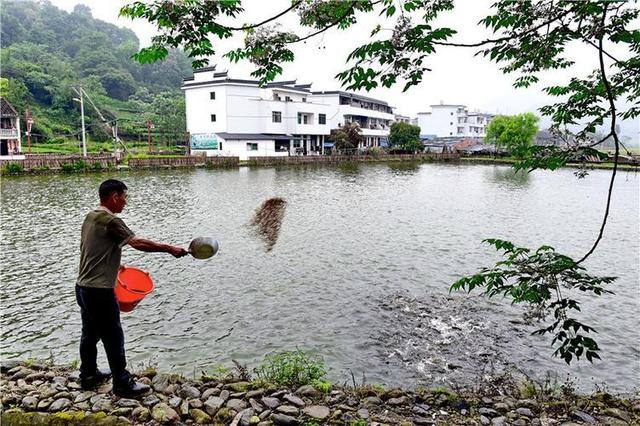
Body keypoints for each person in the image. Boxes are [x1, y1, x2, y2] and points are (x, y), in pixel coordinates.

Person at [76, 179, 188, 398]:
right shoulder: (111, 220)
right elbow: (137, 243)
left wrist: (115, 266)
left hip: (82, 287)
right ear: (114, 196)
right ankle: (122, 383)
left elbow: (93, 249)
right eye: (124, 197)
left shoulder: (90, 217)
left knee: (89, 334)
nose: (125, 202)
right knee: (113, 335)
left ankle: (88, 375)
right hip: (100, 291)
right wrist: (169, 249)